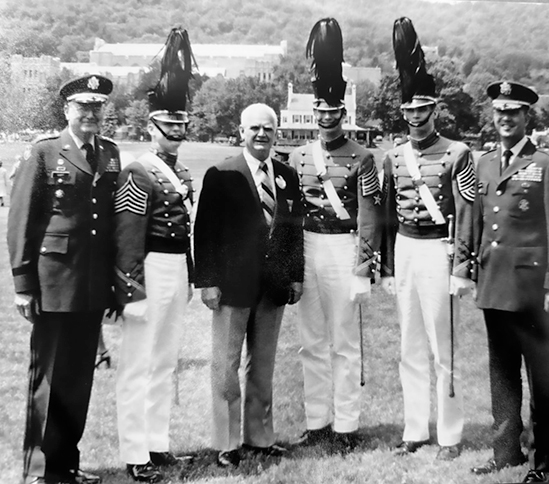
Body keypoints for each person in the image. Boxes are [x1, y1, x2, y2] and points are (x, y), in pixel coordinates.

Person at [7, 74, 120, 484]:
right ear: (66, 110)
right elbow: (21, 220)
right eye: (82, 106)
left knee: (78, 380)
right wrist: (23, 284)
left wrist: (111, 285)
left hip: (90, 286)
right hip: (52, 281)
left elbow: (107, 225)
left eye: (98, 107)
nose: (91, 114)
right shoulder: (44, 153)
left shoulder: (109, 153)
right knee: (49, 379)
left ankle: (66, 464)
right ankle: (40, 471)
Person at [471, 81, 549, 483]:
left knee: (540, 377)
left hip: (532, 290)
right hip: (494, 283)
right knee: (502, 374)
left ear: (527, 116)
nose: (505, 118)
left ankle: (546, 463)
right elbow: (483, 222)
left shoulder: (547, 164)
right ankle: (505, 453)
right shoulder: (484, 162)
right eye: (499, 111)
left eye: (513, 111)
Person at [379, 17, 474, 461]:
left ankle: (450, 434)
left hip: (439, 247)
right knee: (409, 345)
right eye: (408, 111)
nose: (415, 117)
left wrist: (462, 267)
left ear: (435, 109)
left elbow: (468, 210)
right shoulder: (394, 155)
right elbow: (384, 214)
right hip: (405, 246)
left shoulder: (457, 152)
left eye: (422, 110)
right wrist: (387, 265)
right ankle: (415, 429)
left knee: (443, 346)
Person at [288, 18, 383, 452]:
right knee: (311, 340)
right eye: (321, 113)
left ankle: (346, 424)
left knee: (344, 342)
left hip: (344, 247)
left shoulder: (363, 158)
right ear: (315, 113)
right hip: (308, 246)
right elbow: (290, 214)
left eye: (333, 113)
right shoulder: (298, 155)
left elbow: (369, 215)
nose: (326, 119)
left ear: (344, 114)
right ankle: (317, 421)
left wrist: (363, 267)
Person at [194, 103, 304, 467]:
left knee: (263, 366)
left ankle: (260, 437)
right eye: (254, 128)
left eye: (268, 129)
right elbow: (205, 233)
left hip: (272, 288)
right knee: (225, 365)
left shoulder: (287, 175)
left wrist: (296, 276)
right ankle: (227, 443)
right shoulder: (221, 173)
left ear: (277, 133)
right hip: (232, 287)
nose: (261, 134)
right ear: (241, 131)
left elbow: (293, 233)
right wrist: (207, 282)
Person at [113, 28, 196, 483]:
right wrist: (132, 290)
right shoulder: (138, 170)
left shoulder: (181, 169)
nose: (177, 133)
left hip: (175, 268)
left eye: (181, 126)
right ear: (152, 127)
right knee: (138, 365)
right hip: (147, 268)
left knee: (165, 362)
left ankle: (158, 443)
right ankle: (134, 452)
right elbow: (127, 236)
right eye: (170, 126)